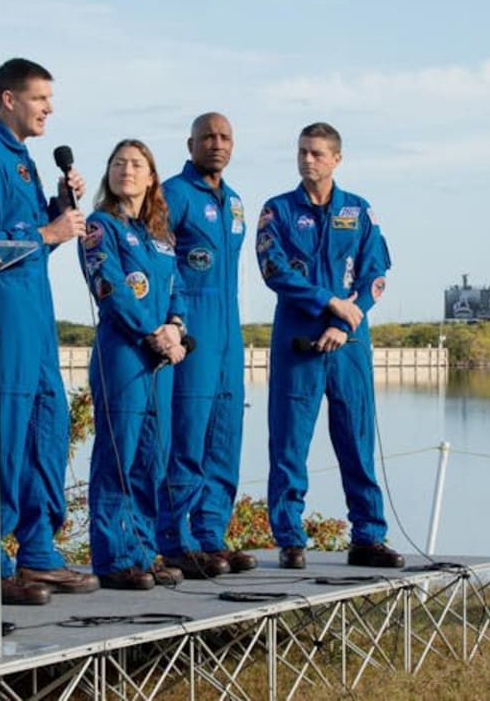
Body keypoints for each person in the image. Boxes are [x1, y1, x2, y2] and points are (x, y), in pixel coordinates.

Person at [0, 58, 99, 605]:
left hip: (38, 312)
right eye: (40, 98)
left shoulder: (24, 158)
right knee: (9, 430)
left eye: (50, 99)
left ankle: (39, 550)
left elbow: (34, 229)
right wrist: (48, 230)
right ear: (8, 99)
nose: (48, 109)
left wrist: (61, 204)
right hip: (6, 311)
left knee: (48, 424)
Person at [255, 122, 403, 570]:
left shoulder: (358, 212)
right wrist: (329, 302)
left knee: (357, 442)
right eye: (302, 152)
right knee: (288, 445)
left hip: (349, 344)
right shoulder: (277, 211)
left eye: (317, 153)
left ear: (337, 158)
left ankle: (368, 537)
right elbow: (274, 269)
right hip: (296, 343)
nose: (308, 160)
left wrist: (347, 317)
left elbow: (376, 274)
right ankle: (290, 539)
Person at [78, 140, 188, 590]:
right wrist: (151, 333)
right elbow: (109, 285)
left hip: (160, 357)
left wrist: (175, 328)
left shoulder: (160, 237)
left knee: (152, 458)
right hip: (124, 352)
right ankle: (113, 556)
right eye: (119, 162)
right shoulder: (100, 225)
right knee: (119, 455)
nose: (127, 169)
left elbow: (177, 288)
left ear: (151, 177)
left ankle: (144, 549)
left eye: (137, 163)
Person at [156, 113, 256, 578]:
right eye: (208, 137)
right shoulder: (173, 195)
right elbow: (156, 260)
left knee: (225, 433)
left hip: (228, 332)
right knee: (188, 434)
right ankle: (176, 539)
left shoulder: (235, 202)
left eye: (225, 137)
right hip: (192, 328)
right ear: (191, 143)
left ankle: (212, 534)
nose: (217, 144)